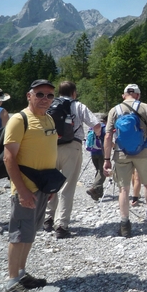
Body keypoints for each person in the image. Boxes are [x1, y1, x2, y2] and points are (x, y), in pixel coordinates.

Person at [2, 79, 58, 292]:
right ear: (29, 96)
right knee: (18, 235)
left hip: (43, 187)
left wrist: (51, 185)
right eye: (40, 94)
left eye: (49, 95)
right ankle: (11, 284)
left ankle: (22, 275)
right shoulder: (19, 120)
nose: (45, 99)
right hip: (25, 189)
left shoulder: (49, 118)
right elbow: (9, 158)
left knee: (30, 233)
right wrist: (23, 190)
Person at [103, 84, 147, 238]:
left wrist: (106, 159)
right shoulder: (145, 107)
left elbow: (108, 136)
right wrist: (144, 139)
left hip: (121, 153)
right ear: (138, 95)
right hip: (143, 152)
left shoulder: (114, 110)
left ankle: (125, 225)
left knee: (123, 189)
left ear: (124, 95)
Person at [44, 81, 101, 239]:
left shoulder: (50, 105)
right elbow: (96, 125)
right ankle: (61, 225)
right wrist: (98, 137)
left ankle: (48, 219)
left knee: (51, 184)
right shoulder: (78, 106)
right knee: (67, 186)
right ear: (74, 93)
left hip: (51, 148)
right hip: (72, 147)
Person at [86, 114, 107, 201]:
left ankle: (98, 193)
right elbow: (107, 139)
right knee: (102, 172)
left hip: (92, 152)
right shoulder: (105, 127)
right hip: (101, 152)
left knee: (98, 170)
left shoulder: (93, 127)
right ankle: (94, 188)